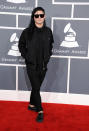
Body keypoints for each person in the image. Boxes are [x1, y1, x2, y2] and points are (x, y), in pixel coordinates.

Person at [18, 7, 54, 122]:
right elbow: (21, 46)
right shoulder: (27, 32)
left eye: (41, 15)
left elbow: (51, 45)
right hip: (31, 66)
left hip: (43, 66)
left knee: (35, 88)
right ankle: (40, 110)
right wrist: (27, 56)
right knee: (37, 88)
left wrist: (48, 55)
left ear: (44, 16)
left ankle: (31, 105)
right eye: (36, 15)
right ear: (33, 17)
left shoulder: (48, 31)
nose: (39, 17)